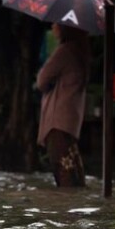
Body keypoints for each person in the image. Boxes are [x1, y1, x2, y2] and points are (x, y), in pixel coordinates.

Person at [35, 22, 91, 187]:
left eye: (57, 23)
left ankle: (67, 210)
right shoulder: (81, 52)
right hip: (70, 122)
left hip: (57, 121)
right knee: (74, 173)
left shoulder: (64, 51)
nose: (53, 26)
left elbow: (41, 80)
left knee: (64, 174)